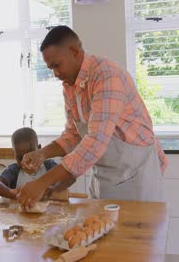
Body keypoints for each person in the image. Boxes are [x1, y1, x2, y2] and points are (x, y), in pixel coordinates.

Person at [16, 26, 168, 208]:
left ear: (74, 51)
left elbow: (96, 140)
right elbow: (73, 134)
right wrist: (42, 154)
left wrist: (42, 182)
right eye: (50, 68)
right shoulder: (70, 86)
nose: (55, 74)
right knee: (102, 231)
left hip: (135, 176)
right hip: (104, 176)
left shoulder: (106, 76)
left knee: (134, 234)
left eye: (57, 65)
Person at [0, 127, 75, 200]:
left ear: (39, 149)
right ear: (14, 155)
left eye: (31, 156)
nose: (26, 163)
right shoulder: (14, 170)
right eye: (20, 158)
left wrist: (54, 189)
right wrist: (14, 194)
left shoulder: (48, 165)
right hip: (20, 216)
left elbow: (71, 178)